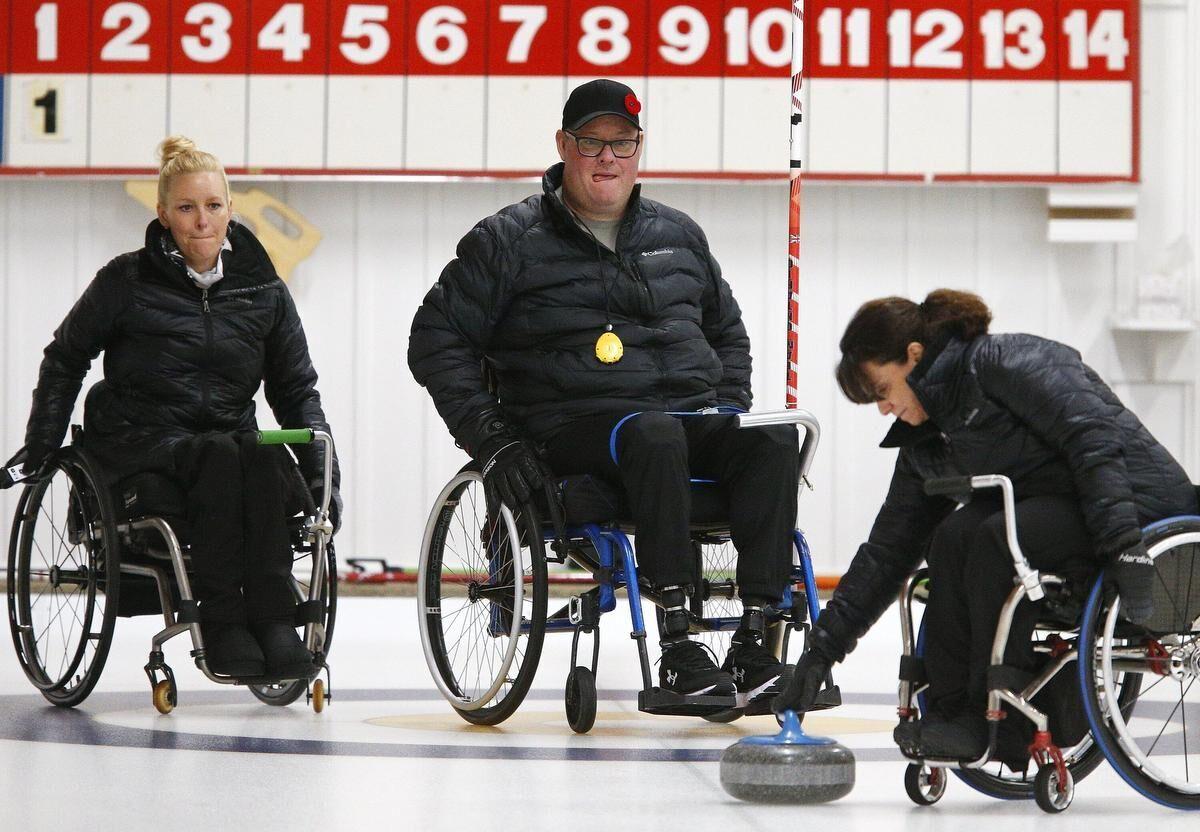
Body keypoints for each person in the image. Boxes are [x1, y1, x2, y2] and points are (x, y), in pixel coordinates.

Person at [408, 79, 799, 712]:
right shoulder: (507, 241)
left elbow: (728, 335)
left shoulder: (680, 235)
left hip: (684, 424)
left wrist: (727, 410)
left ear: (639, 149)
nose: (607, 158)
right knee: (653, 432)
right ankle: (678, 645)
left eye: (622, 143)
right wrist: (495, 440)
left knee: (774, 439)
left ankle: (756, 645)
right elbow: (434, 340)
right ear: (563, 145)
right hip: (573, 429)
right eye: (592, 142)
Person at [774, 288, 1197, 759]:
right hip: (1057, 515)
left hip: (1140, 510)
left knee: (995, 535)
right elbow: (887, 552)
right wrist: (819, 655)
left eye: (882, 391)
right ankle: (955, 716)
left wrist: (1124, 544)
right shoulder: (928, 442)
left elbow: (1092, 438)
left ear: (914, 356)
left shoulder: (1005, 362)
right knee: (952, 535)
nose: (883, 409)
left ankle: (996, 721)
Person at [4, 136, 341, 679]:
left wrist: (325, 479)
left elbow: (297, 389)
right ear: (162, 214)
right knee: (221, 457)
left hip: (228, 444)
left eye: (213, 206)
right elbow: (66, 357)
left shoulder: (264, 291)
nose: (202, 222)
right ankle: (224, 624)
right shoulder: (126, 280)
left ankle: (275, 623)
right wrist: (42, 446)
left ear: (232, 208)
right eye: (186, 208)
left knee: (260, 458)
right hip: (141, 445)